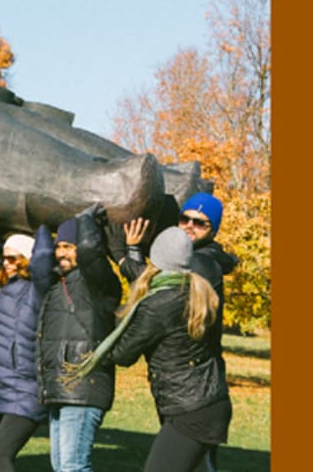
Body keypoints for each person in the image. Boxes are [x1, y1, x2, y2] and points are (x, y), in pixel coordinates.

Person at [71, 227, 231, 472]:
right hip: (208, 401)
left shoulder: (157, 304)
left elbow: (123, 355)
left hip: (188, 408)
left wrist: (105, 324)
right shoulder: (199, 291)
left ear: (157, 259)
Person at [120, 192, 237, 472]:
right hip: (189, 393)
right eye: (185, 219)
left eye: (200, 223)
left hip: (195, 398)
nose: (189, 226)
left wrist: (129, 256)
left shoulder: (203, 264)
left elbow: (163, 295)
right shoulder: (193, 261)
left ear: (213, 230)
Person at [35, 210, 122, 472]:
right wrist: (40, 220)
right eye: (59, 246)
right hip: (61, 390)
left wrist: (85, 219)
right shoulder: (57, 285)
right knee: (61, 466)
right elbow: (39, 259)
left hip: (83, 390)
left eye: (69, 246)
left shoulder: (97, 284)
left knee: (73, 466)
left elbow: (91, 252)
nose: (61, 253)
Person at [0, 231, 53, 472]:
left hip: (25, 390)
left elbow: (44, 257)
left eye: (12, 258)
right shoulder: (2, 285)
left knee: (0, 457)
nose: (6, 263)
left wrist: (40, 224)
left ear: (27, 259)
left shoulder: (37, 289)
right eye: (4, 258)